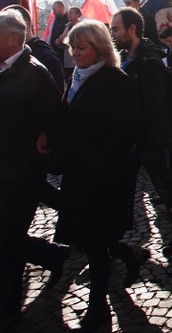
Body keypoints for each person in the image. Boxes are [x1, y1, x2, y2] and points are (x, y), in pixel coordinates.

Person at [53, 20, 141, 331]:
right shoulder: (77, 77)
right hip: (79, 174)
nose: (75, 53)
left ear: (99, 48)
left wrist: (95, 154)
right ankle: (129, 255)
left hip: (105, 178)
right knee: (92, 239)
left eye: (82, 47)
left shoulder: (115, 80)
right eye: (72, 47)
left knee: (94, 240)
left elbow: (127, 130)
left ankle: (98, 307)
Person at [0, 10, 60, 333]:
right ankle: (52, 256)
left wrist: (47, 134)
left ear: (11, 39)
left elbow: (54, 119)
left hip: (21, 173)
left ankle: (8, 311)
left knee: (6, 240)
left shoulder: (35, 74)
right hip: (3, 167)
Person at [112, 7, 172, 262]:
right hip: (135, 141)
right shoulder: (125, 57)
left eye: (116, 28)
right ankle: (113, 242)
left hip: (153, 140)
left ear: (132, 29)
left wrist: (139, 137)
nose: (113, 33)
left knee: (168, 191)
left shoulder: (149, 61)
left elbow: (154, 107)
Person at [54, 6, 82, 80]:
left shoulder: (82, 26)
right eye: (68, 12)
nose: (68, 14)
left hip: (78, 60)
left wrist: (64, 39)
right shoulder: (67, 26)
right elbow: (61, 42)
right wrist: (59, 41)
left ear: (78, 15)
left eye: (71, 12)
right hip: (67, 60)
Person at [45, 0, 69, 65]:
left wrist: (60, 40)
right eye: (53, 10)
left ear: (62, 8)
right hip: (53, 51)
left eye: (55, 10)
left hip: (63, 53)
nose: (54, 12)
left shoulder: (68, 20)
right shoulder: (54, 19)